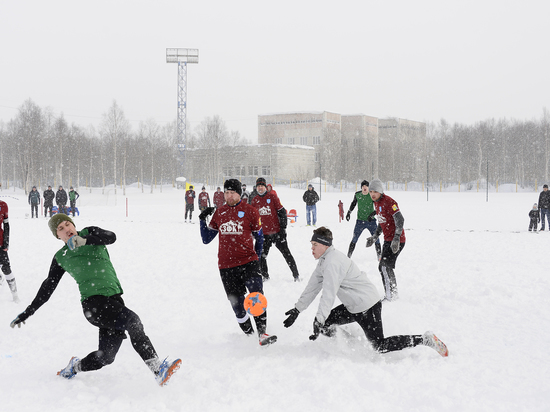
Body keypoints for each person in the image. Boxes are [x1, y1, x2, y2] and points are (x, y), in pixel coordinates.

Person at [9, 214, 181, 386]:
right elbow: (47, 287)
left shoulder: (90, 233)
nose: (66, 229)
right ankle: (158, 370)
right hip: (94, 305)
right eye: (60, 229)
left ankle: (74, 367)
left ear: (74, 226)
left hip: (114, 301)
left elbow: (111, 237)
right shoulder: (61, 256)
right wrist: (28, 312)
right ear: (57, 236)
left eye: (68, 224)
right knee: (133, 322)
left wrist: (84, 240)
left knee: (105, 357)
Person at [283, 226, 448, 357]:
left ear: (325, 245)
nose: (311, 248)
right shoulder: (325, 261)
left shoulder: (333, 263)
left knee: (379, 346)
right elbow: (312, 287)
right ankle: (351, 343)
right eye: (311, 245)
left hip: (368, 305)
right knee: (325, 324)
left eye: (315, 245)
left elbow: (328, 294)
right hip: (353, 305)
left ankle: (424, 340)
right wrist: (298, 309)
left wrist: (318, 319)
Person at [198, 179, 277, 346]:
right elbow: (206, 239)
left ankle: (262, 334)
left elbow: (260, 237)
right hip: (226, 267)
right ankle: (249, 337)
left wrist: (257, 258)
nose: (228, 195)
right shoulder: (220, 213)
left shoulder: (251, 211)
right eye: (226, 192)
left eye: (232, 192)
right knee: (238, 307)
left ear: (239, 194)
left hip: (249, 262)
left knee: (256, 296)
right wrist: (202, 220)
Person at [251, 177, 300, 281]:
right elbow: (253, 217)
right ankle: (265, 276)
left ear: (265, 187)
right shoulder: (254, 200)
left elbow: (282, 213)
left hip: (277, 233)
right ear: (256, 188)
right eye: (258, 186)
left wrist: (283, 229)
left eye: (262, 186)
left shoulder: (272, 197)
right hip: (264, 234)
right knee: (262, 256)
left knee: (286, 254)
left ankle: (296, 275)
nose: (260, 188)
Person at [365, 179, 405, 302]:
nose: (372, 194)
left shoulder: (389, 202)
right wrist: (374, 237)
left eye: (375, 191)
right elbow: (382, 222)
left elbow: (400, 220)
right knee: (385, 267)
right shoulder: (376, 203)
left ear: (380, 191)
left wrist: (396, 238)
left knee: (384, 267)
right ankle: (393, 293)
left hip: (396, 240)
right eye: (371, 191)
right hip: (387, 240)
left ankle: (391, 296)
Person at [346, 180, 380, 259]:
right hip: (360, 221)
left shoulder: (372, 195)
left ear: (368, 188)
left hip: (371, 222)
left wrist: (372, 214)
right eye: (363, 186)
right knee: (354, 238)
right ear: (361, 187)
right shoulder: (358, 195)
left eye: (366, 186)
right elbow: (353, 203)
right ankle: (348, 257)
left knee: (376, 239)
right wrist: (349, 212)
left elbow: (378, 206)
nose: (365, 188)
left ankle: (379, 257)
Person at [0, 200, 19, 303]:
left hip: (0, 242)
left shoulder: (3, 205)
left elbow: (6, 225)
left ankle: (15, 295)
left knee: (6, 268)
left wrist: (6, 241)